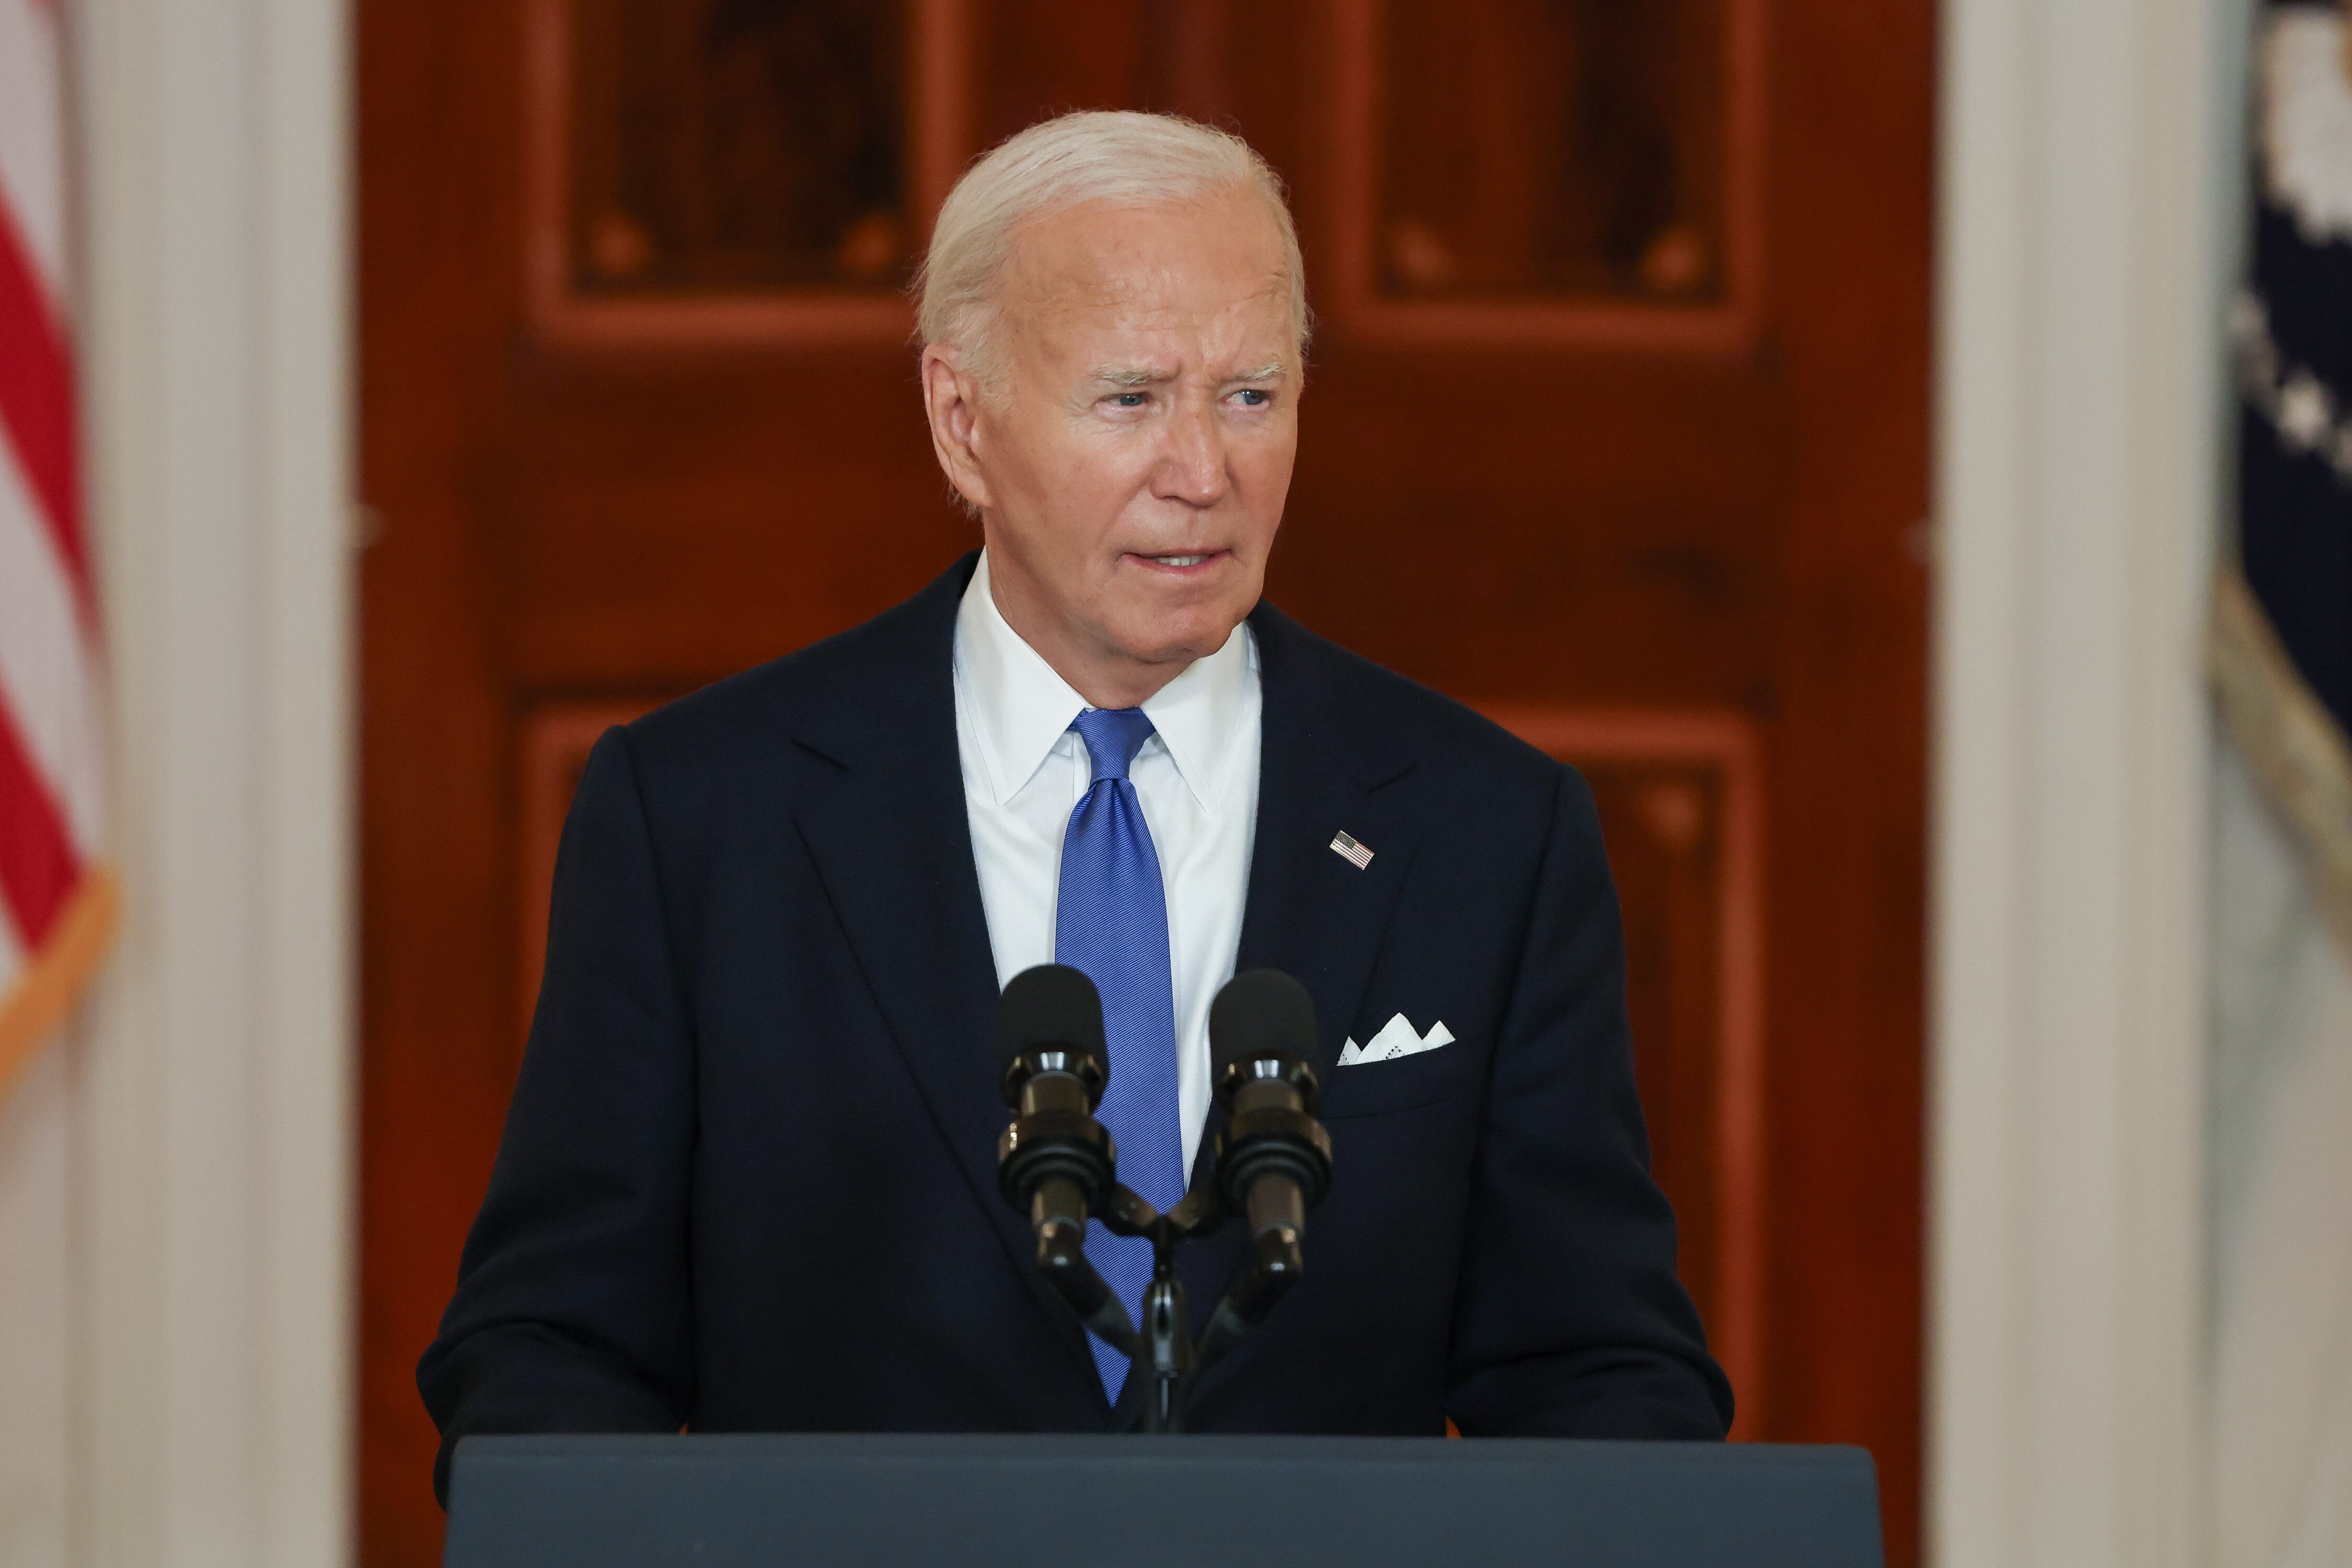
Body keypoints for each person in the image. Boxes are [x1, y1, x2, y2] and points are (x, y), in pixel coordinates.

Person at [419, 110, 1730, 1502]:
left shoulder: (1486, 831)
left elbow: (1601, 1372)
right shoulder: (702, 820)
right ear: (962, 421)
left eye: (1251, 395)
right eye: (1129, 399)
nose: (1203, 472)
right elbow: (555, 1349)